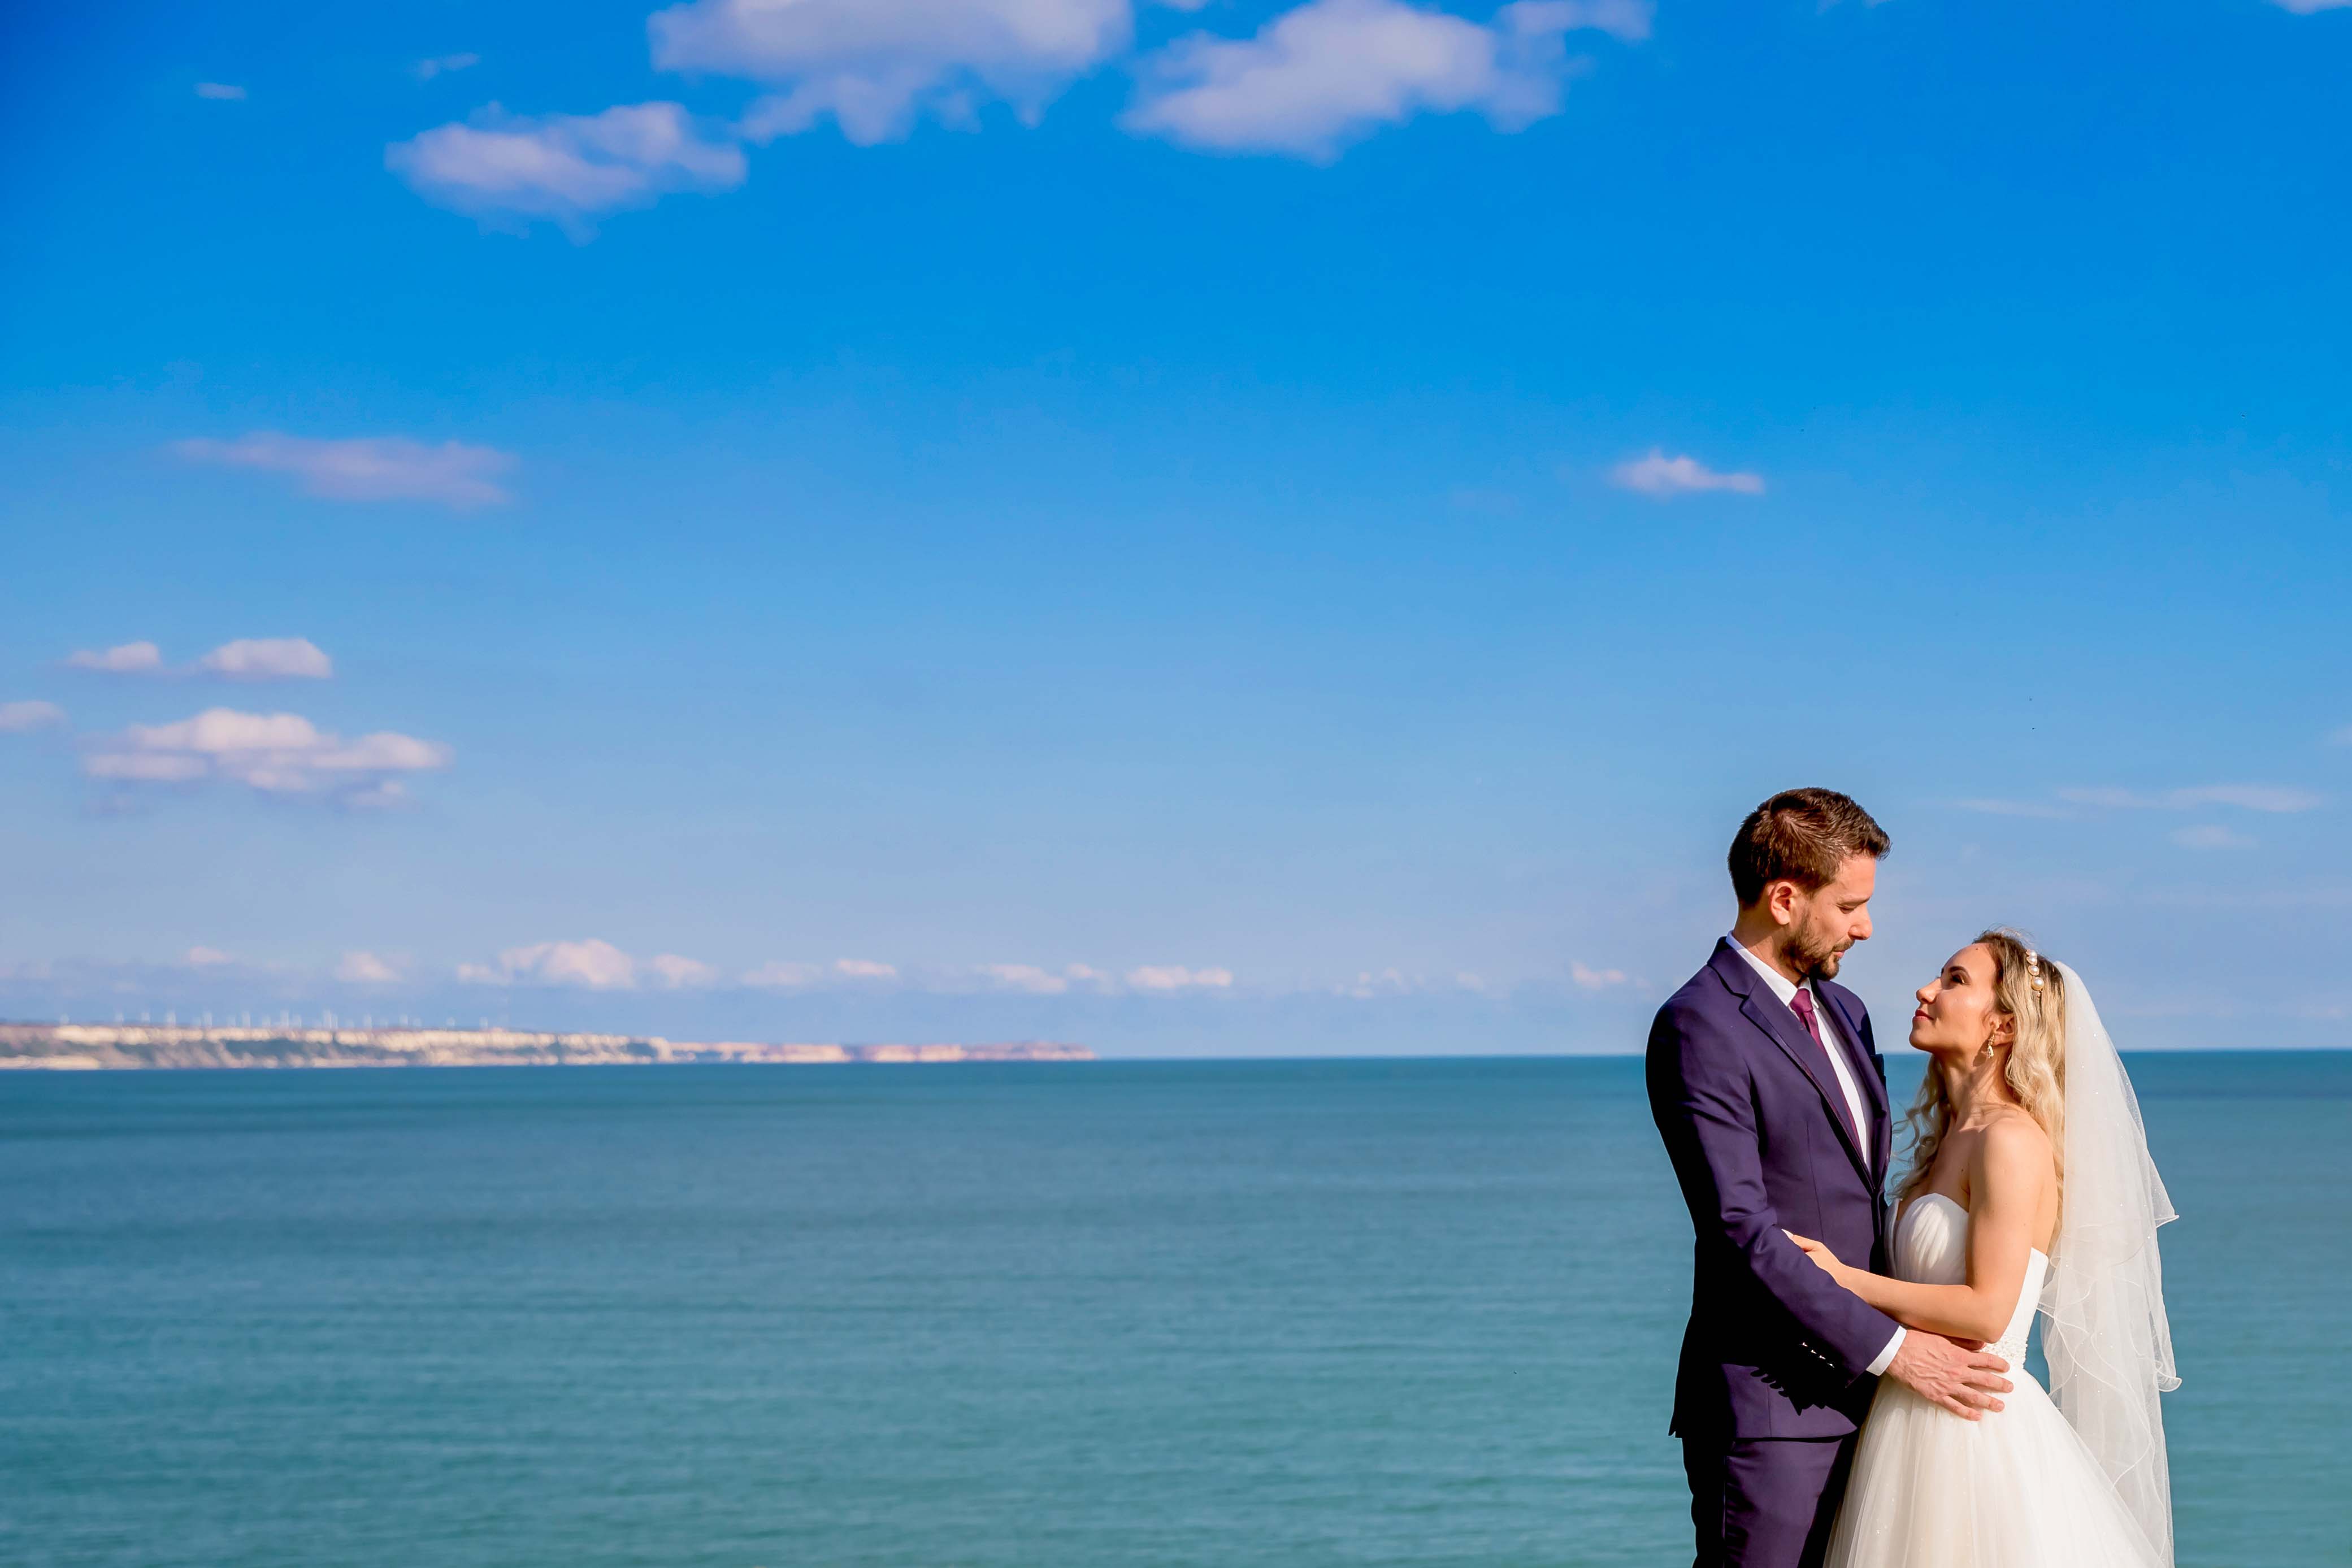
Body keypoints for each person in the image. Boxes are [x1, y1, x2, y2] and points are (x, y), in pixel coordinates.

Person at [1646, 789, 2013, 1568]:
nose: (1865, 926)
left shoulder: (1846, 1011)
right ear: (1784, 897)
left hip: (1884, 1412)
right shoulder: (1699, 1023)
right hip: (1770, 1408)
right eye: (1848, 905)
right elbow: (1739, 1226)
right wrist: (1892, 1347)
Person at [1793, 931, 2179, 1567]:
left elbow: (1987, 1312)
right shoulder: (1951, 1139)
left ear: (2001, 1025)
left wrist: (1842, 1281)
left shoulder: (2010, 1141)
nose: (1925, 990)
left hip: (1971, 1431)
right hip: (1903, 1417)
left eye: (1953, 980)